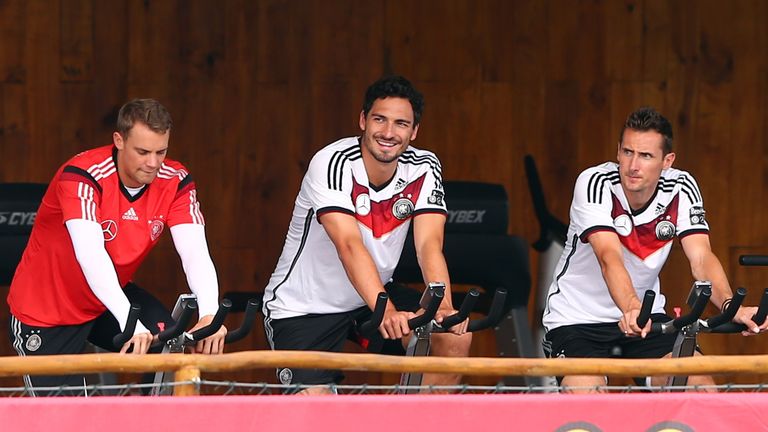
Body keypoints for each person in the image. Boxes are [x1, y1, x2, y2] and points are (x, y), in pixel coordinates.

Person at [262, 75, 471, 394]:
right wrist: (385, 310)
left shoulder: (424, 166)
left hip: (369, 296)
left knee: (452, 338)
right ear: (362, 120)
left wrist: (441, 304)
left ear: (414, 132)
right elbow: (348, 245)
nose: (389, 133)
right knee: (314, 415)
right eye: (379, 119)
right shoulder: (332, 162)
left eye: (401, 124)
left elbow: (429, 244)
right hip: (304, 307)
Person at [6, 98, 225, 395]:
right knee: (64, 419)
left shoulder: (175, 180)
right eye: (143, 152)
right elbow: (91, 256)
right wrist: (129, 322)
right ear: (119, 140)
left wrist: (210, 313)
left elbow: (196, 253)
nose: (153, 163)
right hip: (46, 310)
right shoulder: (83, 175)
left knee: (168, 345)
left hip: (105, 300)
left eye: (161, 152)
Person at [541, 107, 768, 392]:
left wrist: (729, 306)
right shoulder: (595, 182)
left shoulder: (682, 186)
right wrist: (632, 307)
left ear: (667, 161)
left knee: (700, 386)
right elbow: (608, 256)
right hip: (577, 320)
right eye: (627, 152)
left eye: (646, 156)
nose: (633, 165)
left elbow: (701, 257)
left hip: (648, 318)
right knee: (586, 396)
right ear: (618, 152)